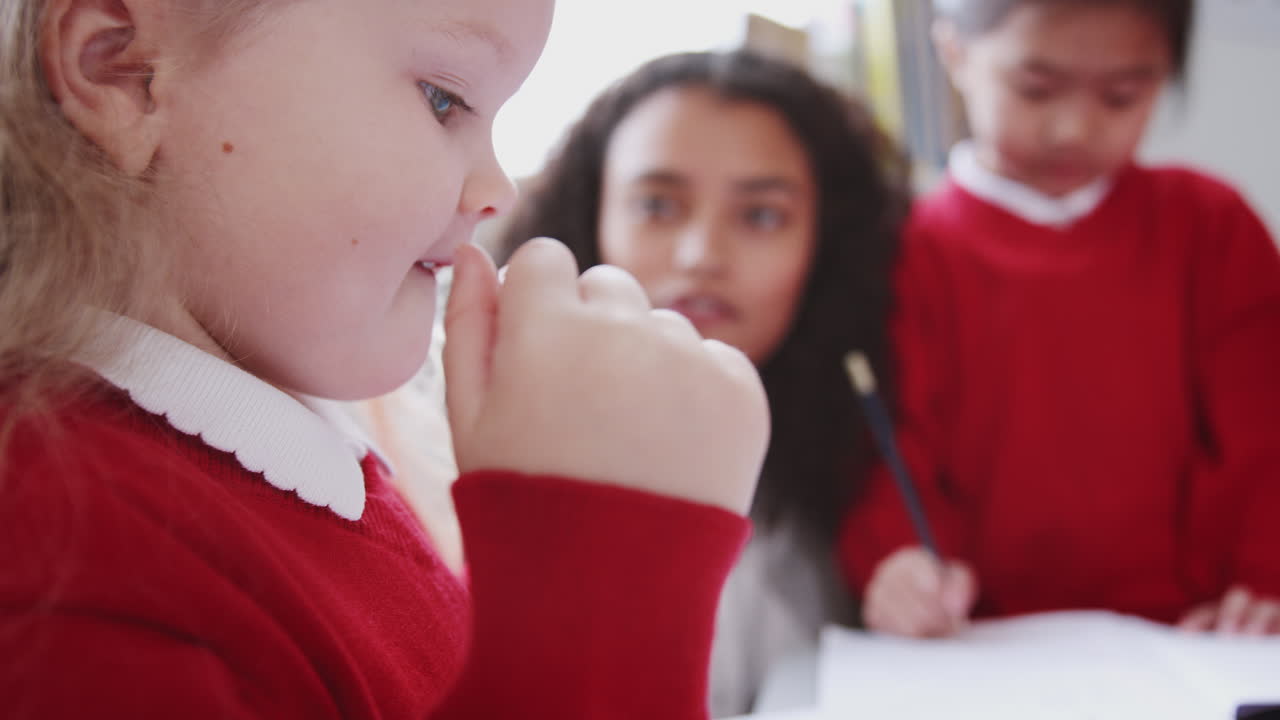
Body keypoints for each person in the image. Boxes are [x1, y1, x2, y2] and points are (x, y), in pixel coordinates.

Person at [0, 0, 773, 716]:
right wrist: (602, 578)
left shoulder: (280, 468)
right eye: (445, 98)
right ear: (125, 73)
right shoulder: (65, 558)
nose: (497, 188)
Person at [839, 0, 1280, 639]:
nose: (1073, 128)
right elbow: (888, 451)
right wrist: (900, 565)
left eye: (1122, 96)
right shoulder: (905, 251)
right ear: (954, 53)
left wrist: (1262, 579)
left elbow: (1264, 429)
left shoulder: (1212, 227)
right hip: (982, 645)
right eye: (1035, 89)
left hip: (1201, 635)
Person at [495, 50, 909, 715]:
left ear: (824, 244)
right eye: (658, 205)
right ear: (591, 213)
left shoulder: (853, 445)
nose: (702, 256)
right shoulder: (482, 437)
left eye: (762, 216)